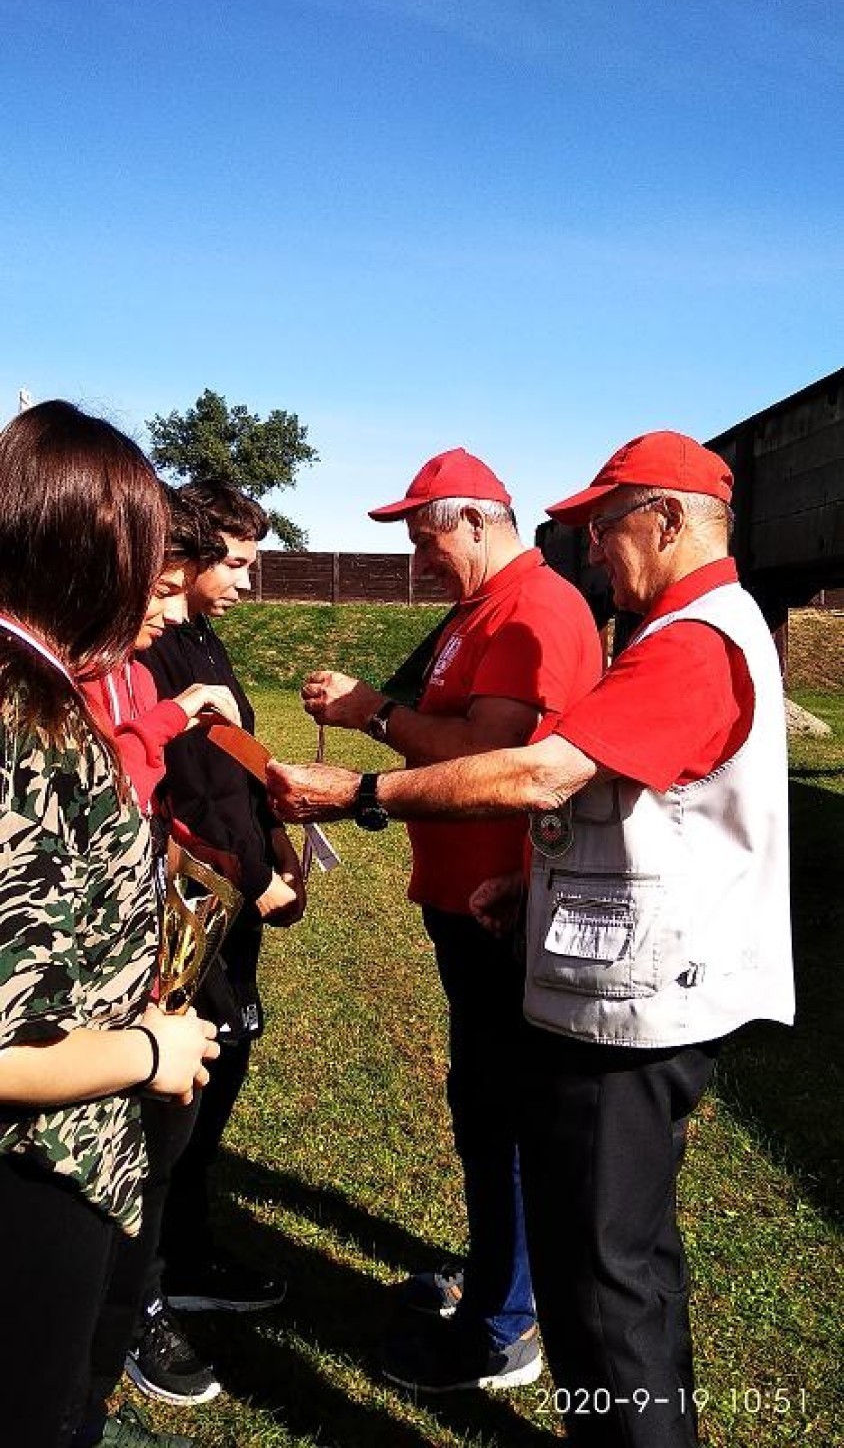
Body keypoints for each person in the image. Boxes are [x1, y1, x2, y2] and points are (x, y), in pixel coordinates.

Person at [266, 430, 795, 1448]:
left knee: (602, 1287)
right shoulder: (684, 626)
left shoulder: (694, 639)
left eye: (605, 525)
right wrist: (537, 878)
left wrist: (360, 789)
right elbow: (634, 797)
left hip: (634, 1012)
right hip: (625, 983)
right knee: (620, 1268)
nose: (591, 549)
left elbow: (539, 770)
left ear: (670, 519)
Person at [297, 447, 602, 1392]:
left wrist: (372, 715)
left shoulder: (534, 609)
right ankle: (501, 1283)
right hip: (471, 904)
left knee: (502, 1111)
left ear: (479, 520)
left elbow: (491, 753)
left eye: (428, 540)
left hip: (500, 910)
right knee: (487, 1106)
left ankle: (505, 1325)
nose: (420, 563)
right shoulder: (484, 608)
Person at [0, 401, 218, 1448]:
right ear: (92, 555)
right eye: (147, 557)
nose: (159, 588)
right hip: (34, 1165)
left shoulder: (42, 693)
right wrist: (150, 1047)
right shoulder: (23, 725)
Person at [73, 489, 242, 1447]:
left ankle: (95, 1376)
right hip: (99, 998)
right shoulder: (73, 679)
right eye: (164, 587)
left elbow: (140, 808)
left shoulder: (130, 666)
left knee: (152, 1157)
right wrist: (171, 719)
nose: (174, 612)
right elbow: (103, 788)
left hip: (147, 962)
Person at [134, 478, 305, 1405]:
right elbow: (173, 800)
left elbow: (232, 769)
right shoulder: (151, 646)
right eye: (233, 563)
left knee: (217, 1079)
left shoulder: (203, 638)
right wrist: (255, 874)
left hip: (234, 906)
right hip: (185, 912)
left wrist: (276, 839)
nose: (246, 580)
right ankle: (139, 1300)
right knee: (167, 1101)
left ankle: (189, 1255)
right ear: (186, 556)